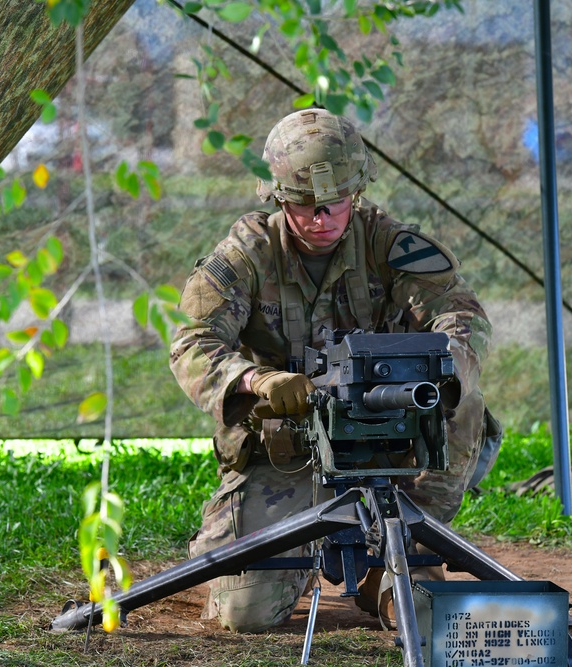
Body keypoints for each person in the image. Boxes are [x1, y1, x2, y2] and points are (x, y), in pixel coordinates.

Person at [169, 108, 500, 633]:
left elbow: (462, 318)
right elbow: (191, 342)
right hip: (290, 453)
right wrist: (259, 381)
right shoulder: (248, 253)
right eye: (304, 205)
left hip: (388, 451)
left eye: (334, 203)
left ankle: (405, 553)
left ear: (358, 193)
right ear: (278, 197)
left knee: (462, 395)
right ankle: (303, 546)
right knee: (245, 613)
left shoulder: (389, 245)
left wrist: (433, 368)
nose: (321, 217)